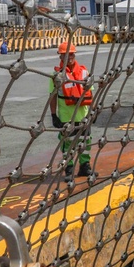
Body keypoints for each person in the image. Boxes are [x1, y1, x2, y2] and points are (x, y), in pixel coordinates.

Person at [49, 41, 93, 178]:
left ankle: (84, 167)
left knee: (86, 142)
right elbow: (53, 96)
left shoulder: (84, 72)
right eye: (65, 54)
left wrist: (92, 111)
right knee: (67, 145)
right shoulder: (57, 76)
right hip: (66, 117)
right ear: (60, 57)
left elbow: (91, 93)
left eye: (71, 54)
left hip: (83, 115)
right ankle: (68, 169)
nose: (69, 56)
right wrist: (53, 115)